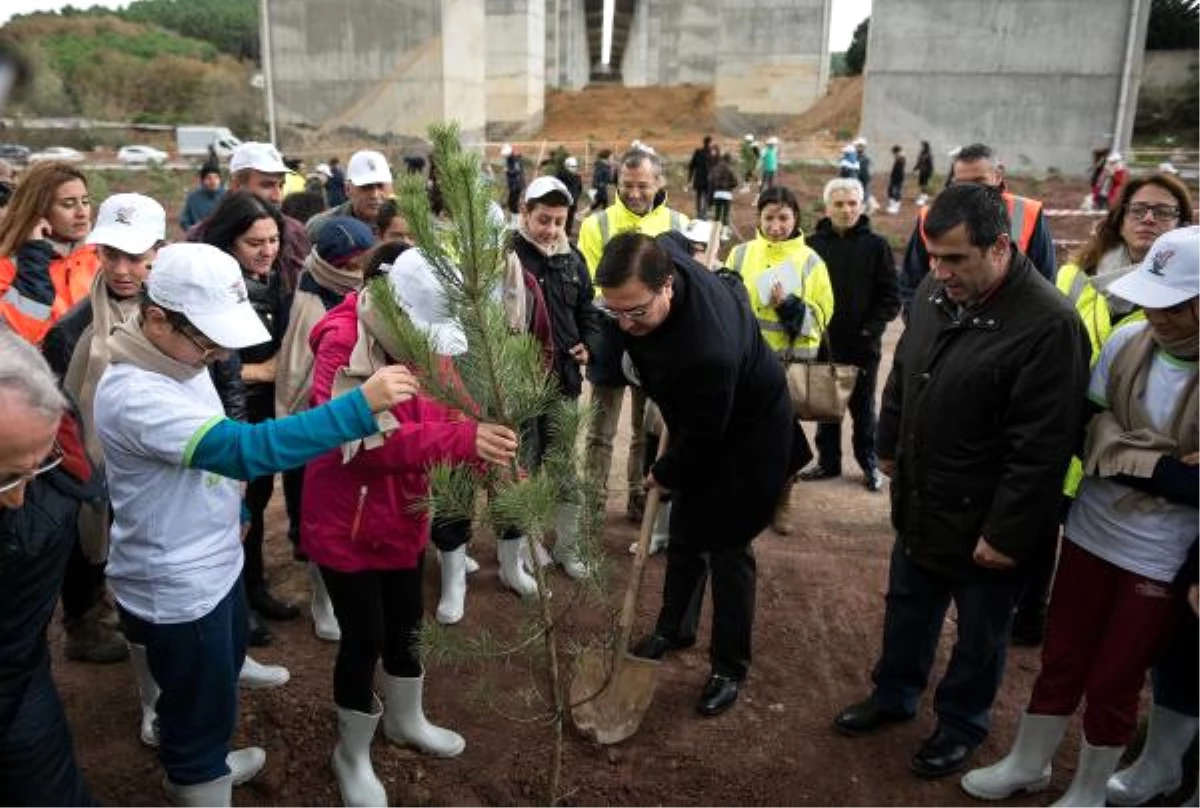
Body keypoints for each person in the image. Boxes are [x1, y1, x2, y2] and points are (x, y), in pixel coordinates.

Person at [92, 242, 420, 805]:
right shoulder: (135, 393)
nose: (218, 349)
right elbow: (245, 450)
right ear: (155, 317)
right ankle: (197, 778)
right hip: (177, 579)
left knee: (218, 677)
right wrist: (358, 405)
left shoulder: (178, 358)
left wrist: (238, 509)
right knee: (198, 702)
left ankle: (203, 763)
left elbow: (208, 460)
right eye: (208, 337)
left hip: (212, 557)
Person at [833, 184, 1090, 780]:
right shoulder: (934, 292)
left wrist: (1005, 534)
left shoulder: (1048, 325)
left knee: (979, 633)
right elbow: (904, 371)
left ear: (999, 247)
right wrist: (889, 444)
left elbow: (1043, 446)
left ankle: (961, 723)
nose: (938, 271)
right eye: (933, 257)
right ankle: (895, 694)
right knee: (907, 608)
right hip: (925, 497)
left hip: (987, 519)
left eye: (955, 259)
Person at [960, 226, 1200, 806]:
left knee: (1117, 676)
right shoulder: (1126, 340)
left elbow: (1109, 444)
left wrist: (1122, 449)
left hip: (1161, 555)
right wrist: (1170, 468)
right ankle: (1029, 761)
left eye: (1171, 304)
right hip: (1094, 531)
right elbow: (1084, 431)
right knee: (1062, 655)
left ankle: (1091, 788)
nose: (1154, 313)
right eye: (1149, 298)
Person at [302, 249, 519, 806]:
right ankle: (350, 755)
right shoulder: (342, 341)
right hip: (343, 519)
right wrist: (463, 442)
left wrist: (485, 442)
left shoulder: (419, 336)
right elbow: (362, 444)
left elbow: (453, 406)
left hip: (402, 511)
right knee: (365, 636)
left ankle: (406, 721)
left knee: (407, 623)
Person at [599, 232, 796, 717]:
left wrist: (664, 473)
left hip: (748, 433)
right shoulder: (662, 260)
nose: (625, 324)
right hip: (701, 415)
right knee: (686, 530)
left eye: (636, 312)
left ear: (667, 285)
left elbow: (705, 437)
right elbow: (670, 240)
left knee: (728, 545)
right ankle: (675, 627)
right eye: (614, 312)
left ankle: (729, 666)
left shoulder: (706, 350)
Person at [1010, 171, 1194, 647]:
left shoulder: (1178, 312)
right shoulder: (1073, 277)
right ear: (1119, 216)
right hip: (1059, 433)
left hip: (1113, 471)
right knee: (1034, 541)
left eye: (1164, 211)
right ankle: (1028, 618)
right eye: (1139, 209)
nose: (1149, 219)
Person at [40, 193, 166, 665]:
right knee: (89, 530)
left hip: (157, 454)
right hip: (93, 462)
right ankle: (86, 619)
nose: (121, 268)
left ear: (158, 250)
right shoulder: (73, 331)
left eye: (134, 256)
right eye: (110, 254)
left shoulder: (172, 314)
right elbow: (59, 412)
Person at [0, 329, 103, 807]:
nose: (19, 498)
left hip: (18, 671)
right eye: (2, 478)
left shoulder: (49, 492)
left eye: (35, 467)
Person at [201, 191, 298, 640]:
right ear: (227, 243)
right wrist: (259, 370)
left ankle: (253, 589)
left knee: (254, 506)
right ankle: (235, 605)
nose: (267, 250)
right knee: (229, 512)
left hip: (260, 412)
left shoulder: (272, 279)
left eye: (274, 239)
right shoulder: (211, 291)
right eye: (254, 242)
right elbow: (202, 359)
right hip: (222, 417)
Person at [275, 215, 377, 642]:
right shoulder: (307, 302)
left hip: (361, 420)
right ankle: (322, 600)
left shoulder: (367, 299)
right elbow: (294, 375)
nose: (361, 272)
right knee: (317, 519)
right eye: (355, 264)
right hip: (315, 428)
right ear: (336, 264)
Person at [578, 148, 688, 523]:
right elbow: (590, 283)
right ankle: (592, 503)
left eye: (643, 185)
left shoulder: (679, 223)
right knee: (600, 429)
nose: (635, 193)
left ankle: (640, 504)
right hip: (609, 339)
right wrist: (624, 311)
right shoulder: (597, 225)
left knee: (646, 430)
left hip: (656, 344)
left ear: (659, 183)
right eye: (627, 185)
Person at [507, 176, 601, 576]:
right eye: (543, 219)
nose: (551, 230)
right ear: (525, 214)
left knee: (564, 468)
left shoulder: (572, 259)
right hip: (519, 385)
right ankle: (523, 549)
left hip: (563, 383)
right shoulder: (505, 257)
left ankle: (568, 547)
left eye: (559, 221)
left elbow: (589, 311)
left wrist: (590, 343)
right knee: (522, 467)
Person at [726, 186, 833, 533]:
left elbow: (820, 318)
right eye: (769, 217)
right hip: (745, 365)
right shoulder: (740, 255)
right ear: (758, 218)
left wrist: (788, 305)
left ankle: (783, 500)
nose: (776, 225)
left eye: (783, 217)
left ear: (796, 219)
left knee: (784, 440)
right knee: (741, 435)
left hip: (788, 366)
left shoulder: (811, 262)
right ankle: (745, 499)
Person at [802, 178, 900, 492]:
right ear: (827, 207)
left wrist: (869, 329)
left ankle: (868, 462)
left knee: (862, 407)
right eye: (839, 204)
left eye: (852, 203)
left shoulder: (876, 246)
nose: (846, 210)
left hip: (862, 344)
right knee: (825, 404)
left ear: (861, 205)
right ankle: (827, 462)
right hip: (824, 342)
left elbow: (890, 297)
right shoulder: (812, 245)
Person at [898, 142, 1058, 317]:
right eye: (962, 183)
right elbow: (912, 281)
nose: (971, 190)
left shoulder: (1026, 213)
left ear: (998, 175)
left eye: (978, 181)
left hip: (1010, 327)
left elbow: (1046, 280)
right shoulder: (931, 215)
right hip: (947, 326)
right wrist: (918, 324)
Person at [192, 142, 312, 296]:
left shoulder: (295, 232)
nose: (278, 197)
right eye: (267, 185)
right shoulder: (200, 238)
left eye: (281, 186)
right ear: (236, 185)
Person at [0, 161, 98, 345]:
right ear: (40, 210)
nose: (81, 212)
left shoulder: (101, 258)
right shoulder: (7, 265)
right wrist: (34, 256)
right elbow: (21, 334)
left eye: (85, 202)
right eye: (68, 204)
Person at [307, 149, 394, 242]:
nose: (375, 195)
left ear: (391, 188)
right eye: (366, 187)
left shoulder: (408, 222)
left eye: (381, 186)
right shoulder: (322, 227)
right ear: (347, 189)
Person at [179, 166, 224, 232]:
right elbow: (184, 220)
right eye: (209, 178)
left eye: (216, 177)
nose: (213, 181)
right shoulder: (193, 198)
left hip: (223, 238)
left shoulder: (227, 196)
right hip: (199, 238)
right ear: (203, 181)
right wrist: (192, 231)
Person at [710, 153, 738, 237]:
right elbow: (735, 182)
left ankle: (715, 233)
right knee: (725, 215)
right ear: (729, 160)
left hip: (717, 194)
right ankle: (724, 234)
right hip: (727, 194)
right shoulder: (730, 169)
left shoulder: (716, 168)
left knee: (717, 214)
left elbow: (711, 179)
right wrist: (730, 187)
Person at [554, 155, 584, 236]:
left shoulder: (577, 177)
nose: (574, 168)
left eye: (575, 166)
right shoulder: (560, 177)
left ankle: (566, 234)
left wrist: (576, 197)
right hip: (562, 202)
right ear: (566, 166)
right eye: (572, 166)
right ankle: (560, 233)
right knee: (561, 218)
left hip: (572, 202)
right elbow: (556, 188)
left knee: (569, 219)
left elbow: (579, 189)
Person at [687, 135, 714, 220]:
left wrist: (689, 179)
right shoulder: (711, 153)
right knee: (706, 196)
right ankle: (703, 213)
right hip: (708, 179)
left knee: (699, 196)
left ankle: (699, 213)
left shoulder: (698, 152)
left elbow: (692, 166)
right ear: (709, 143)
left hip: (698, 178)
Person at [502, 143, 525, 228]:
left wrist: (508, 170)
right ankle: (514, 222)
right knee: (511, 203)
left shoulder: (515, 159)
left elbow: (517, 170)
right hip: (513, 185)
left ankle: (516, 223)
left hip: (517, 185)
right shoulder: (509, 159)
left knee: (513, 203)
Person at [887, 145, 906, 215]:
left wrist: (897, 178)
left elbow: (899, 170)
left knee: (896, 192)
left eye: (894, 153)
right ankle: (892, 205)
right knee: (890, 190)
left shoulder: (901, 159)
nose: (893, 155)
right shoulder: (898, 158)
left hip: (898, 178)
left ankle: (896, 207)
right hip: (895, 177)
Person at [914, 141, 934, 206]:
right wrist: (916, 168)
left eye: (922, 145)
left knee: (925, 184)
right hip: (922, 171)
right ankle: (923, 195)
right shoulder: (922, 153)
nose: (921, 147)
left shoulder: (928, 154)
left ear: (926, 146)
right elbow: (919, 162)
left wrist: (930, 172)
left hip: (926, 171)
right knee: (921, 183)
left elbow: (930, 164)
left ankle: (923, 198)